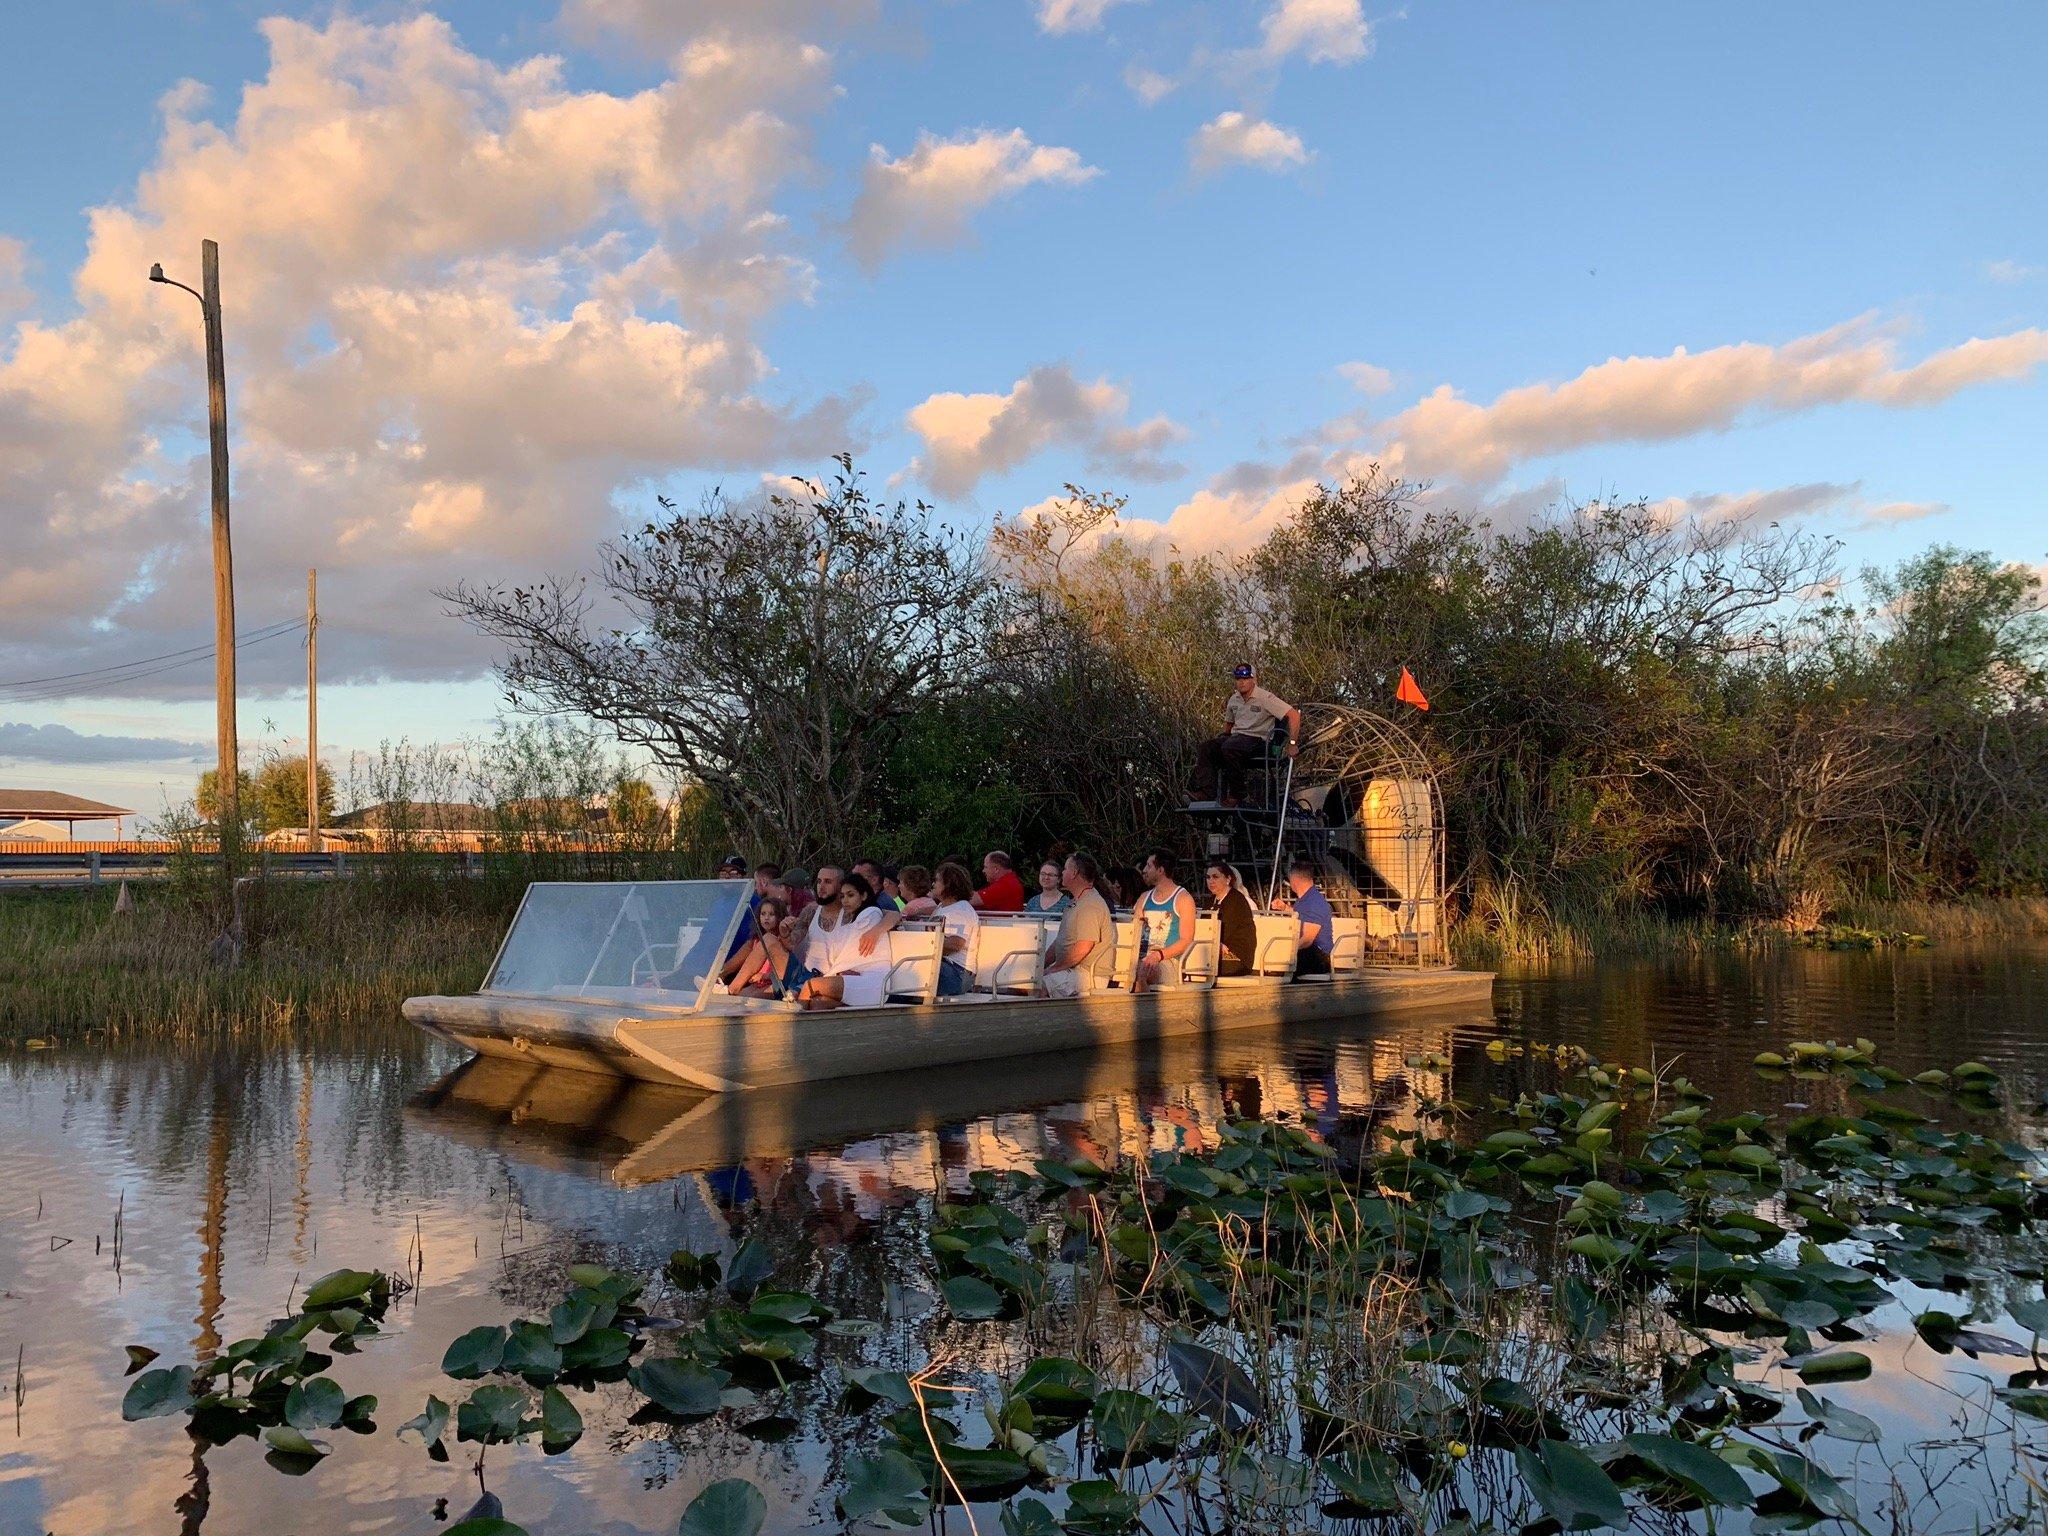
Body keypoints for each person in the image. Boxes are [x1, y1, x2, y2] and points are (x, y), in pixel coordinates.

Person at [1192, 664, 1301, 806]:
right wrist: (1221, 740)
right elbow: (1228, 725)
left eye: (1245, 678)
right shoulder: (1233, 699)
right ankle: (1206, 793)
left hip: (1259, 740)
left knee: (1230, 748)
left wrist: (1292, 744)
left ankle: (1237, 794)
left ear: (1253, 680)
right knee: (1206, 748)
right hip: (1236, 739)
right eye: (1238, 678)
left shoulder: (1265, 697)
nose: (1241, 682)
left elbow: (1293, 715)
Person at [797, 871, 892, 1010]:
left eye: (851, 895)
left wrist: (877, 930)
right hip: (854, 977)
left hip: (872, 982)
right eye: (842, 896)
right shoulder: (852, 923)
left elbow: (892, 914)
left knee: (810, 986)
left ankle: (792, 1026)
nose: (845, 900)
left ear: (864, 896)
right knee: (818, 1002)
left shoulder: (870, 914)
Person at [1042, 852, 1114, 999]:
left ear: (1074, 873)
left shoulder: (1090, 905)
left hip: (1087, 974)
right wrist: (1039, 965)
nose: (1062, 872)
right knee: (1026, 980)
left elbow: (1084, 947)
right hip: (1073, 970)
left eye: (1065, 869)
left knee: (1038, 986)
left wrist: (1054, 968)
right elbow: (1060, 941)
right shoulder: (1075, 902)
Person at [1132, 848, 1198, 994]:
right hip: (1142, 957)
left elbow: (1186, 939)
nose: (1144, 870)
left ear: (1160, 870)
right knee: (1127, 965)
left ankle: (1141, 1012)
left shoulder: (1183, 899)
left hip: (1167, 961)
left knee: (1141, 969)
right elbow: (1134, 930)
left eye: (1149, 866)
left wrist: (1158, 955)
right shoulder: (1144, 898)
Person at [1276, 857, 1334, 978]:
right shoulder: (1306, 899)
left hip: (1318, 957)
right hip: (1309, 953)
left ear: (1294, 879)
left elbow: (1307, 940)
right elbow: (1302, 916)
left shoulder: (1314, 902)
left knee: (1277, 968)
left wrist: (1283, 952)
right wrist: (1285, 908)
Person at [930, 862, 982, 996]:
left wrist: (923, 944)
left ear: (949, 884)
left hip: (958, 972)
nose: (933, 884)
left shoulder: (961, 910)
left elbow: (956, 944)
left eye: (936, 880)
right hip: (946, 967)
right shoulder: (942, 907)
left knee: (918, 967)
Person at [723, 896, 793, 996]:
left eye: (772, 914)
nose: (766, 918)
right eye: (763, 914)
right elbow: (734, 962)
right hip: (757, 984)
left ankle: (730, 987)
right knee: (736, 999)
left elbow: (785, 969)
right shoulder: (755, 940)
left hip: (775, 983)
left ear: (780, 917)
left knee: (750, 999)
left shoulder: (782, 940)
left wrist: (764, 976)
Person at [1203, 859, 1257, 977]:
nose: (1211, 881)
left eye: (1215, 877)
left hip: (1236, 955)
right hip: (1214, 950)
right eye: (1208, 877)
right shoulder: (1210, 901)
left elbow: (1226, 930)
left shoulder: (1237, 900)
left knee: (1201, 963)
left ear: (1228, 879)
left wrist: (1216, 943)